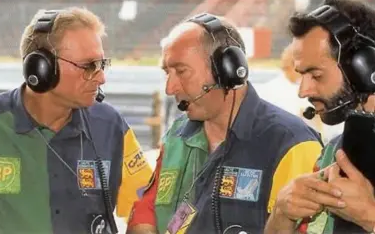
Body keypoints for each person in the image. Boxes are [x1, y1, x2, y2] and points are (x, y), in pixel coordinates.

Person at [126, 13, 324, 234]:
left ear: (227, 70)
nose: (170, 88)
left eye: (181, 71)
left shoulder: (292, 144)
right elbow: (147, 210)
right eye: (167, 72)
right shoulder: (177, 135)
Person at [0, 7, 153, 234]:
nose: (101, 77)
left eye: (102, 64)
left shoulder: (110, 125)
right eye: (89, 66)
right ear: (41, 68)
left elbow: (146, 204)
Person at [264, 0, 375, 234]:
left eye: (316, 75)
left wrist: (372, 218)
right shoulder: (334, 153)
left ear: (364, 68)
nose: (303, 91)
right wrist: (282, 216)